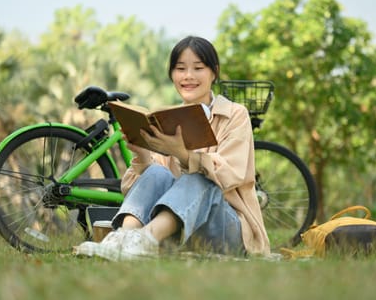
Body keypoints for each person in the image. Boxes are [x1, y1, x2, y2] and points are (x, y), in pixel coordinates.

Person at [74, 36, 270, 261]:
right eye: (180, 69)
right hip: (180, 231)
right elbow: (133, 191)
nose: (188, 76)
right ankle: (123, 239)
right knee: (157, 171)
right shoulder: (167, 119)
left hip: (228, 229)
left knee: (202, 178)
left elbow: (228, 176)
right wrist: (143, 155)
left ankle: (145, 239)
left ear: (214, 72)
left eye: (198, 68)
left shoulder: (235, 114)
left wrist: (182, 154)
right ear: (172, 74)